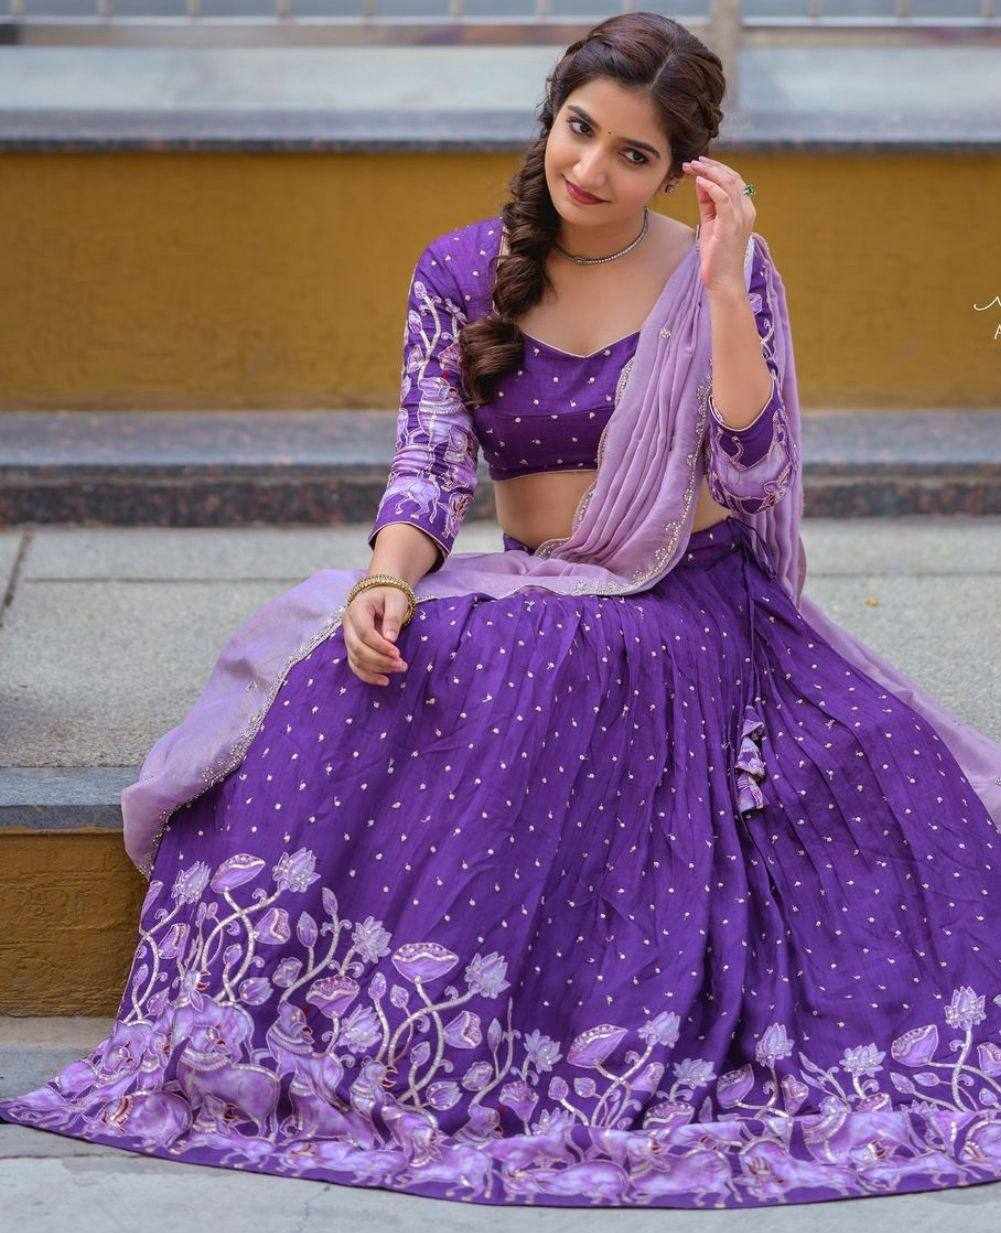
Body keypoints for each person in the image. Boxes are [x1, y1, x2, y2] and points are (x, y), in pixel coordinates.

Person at [4, 11, 1001, 1210]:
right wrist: (385, 578)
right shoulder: (459, 269)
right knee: (351, 678)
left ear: (673, 169)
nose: (592, 169)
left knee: (588, 680)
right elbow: (429, 467)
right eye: (580, 130)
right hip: (534, 584)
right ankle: (340, 1022)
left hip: (687, 601)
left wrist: (725, 289)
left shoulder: (713, 271)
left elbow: (749, 472)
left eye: (632, 155)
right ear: (549, 117)